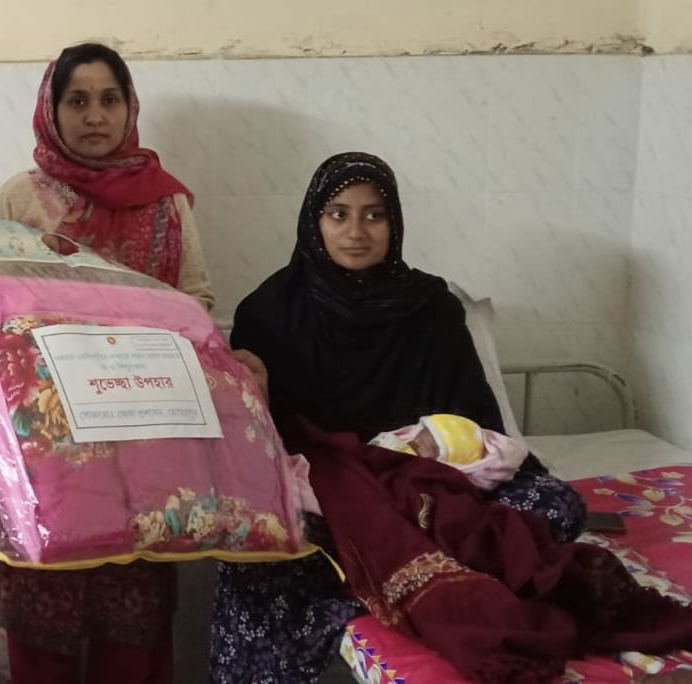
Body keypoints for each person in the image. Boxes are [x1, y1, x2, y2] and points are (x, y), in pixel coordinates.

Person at [210, 152, 587, 683]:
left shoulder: (431, 308)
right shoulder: (268, 312)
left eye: (374, 215)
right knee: (261, 547)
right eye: (338, 214)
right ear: (314, 221)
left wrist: (438, 442)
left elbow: (474, 417)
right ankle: (384, 576)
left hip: (424, 481)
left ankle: (382, 573)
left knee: (556, 506)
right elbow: (260, 444)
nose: (356, 231)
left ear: (395, 223)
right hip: (326, 488)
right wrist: (261, 393)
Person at [0, 42, 214, 684]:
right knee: (42, 606)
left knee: (132, 613)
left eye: (109, 99)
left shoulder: (167, 203)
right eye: (77, 100)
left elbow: (195, 303)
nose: (94, 116)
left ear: (129, 107)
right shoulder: (20, 199)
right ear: (51, 110)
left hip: (142, 442)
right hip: (45, 447)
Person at [369, 413, 529, 490]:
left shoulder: (431, 472)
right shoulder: (409, 441)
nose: (417, 444)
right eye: (420, 436)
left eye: (430, 448)